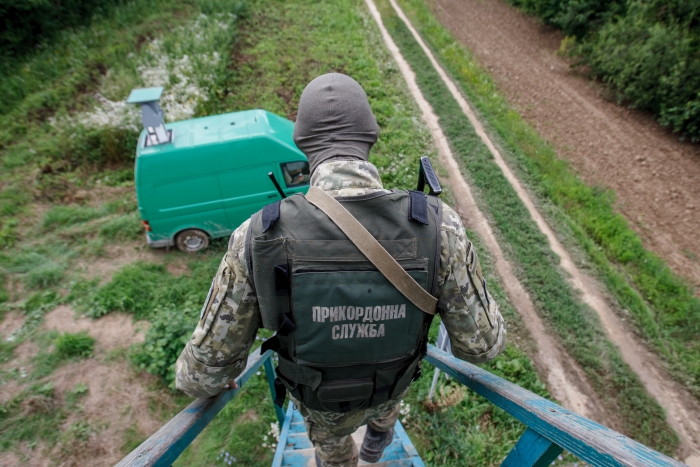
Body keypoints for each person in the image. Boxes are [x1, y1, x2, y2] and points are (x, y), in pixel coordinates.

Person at [175, 73, 506, 467]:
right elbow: (482, 346)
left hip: (320, 404)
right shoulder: (438, 226)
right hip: (390, 389)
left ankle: (347, 460)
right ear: (370, 136)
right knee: (385, 412)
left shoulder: (259, 234)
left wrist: (218, 372)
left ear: (302, 144)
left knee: (332, 453)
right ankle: (374, 449)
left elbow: (200, 377)